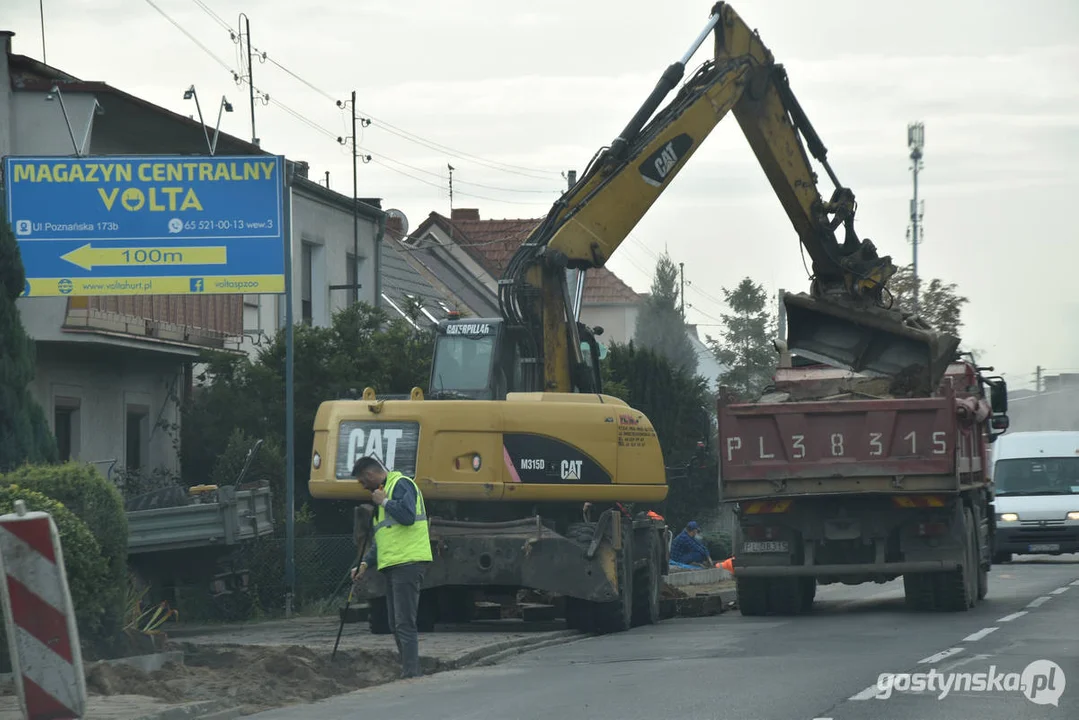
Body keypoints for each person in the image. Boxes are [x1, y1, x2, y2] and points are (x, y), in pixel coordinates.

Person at [349, 456, 432, 678]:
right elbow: (383, 538)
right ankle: (408, 669)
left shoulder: (401, 484)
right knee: (395, 623)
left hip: (408, 562)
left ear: (369, 475)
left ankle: (411, 672)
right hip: (394, 564)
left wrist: (384, 502)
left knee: (404, 622)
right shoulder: (383, 494)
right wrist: (365, 563)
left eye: (361, 481)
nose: (362, 486)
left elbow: (407, 517)